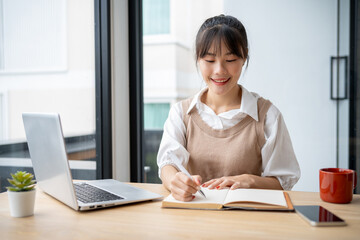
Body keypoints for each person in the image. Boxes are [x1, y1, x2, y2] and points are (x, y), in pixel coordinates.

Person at [157, 14, 300, 202]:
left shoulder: (267, 116)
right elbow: (167, 165)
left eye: (230, 60)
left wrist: (249, 181)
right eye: (209, 60)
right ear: (198, 59)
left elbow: (284, 180)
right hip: (193, 220)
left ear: (244, 57)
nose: (219, 70)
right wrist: (174, 181)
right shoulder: (181, 113)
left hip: (247, 219)